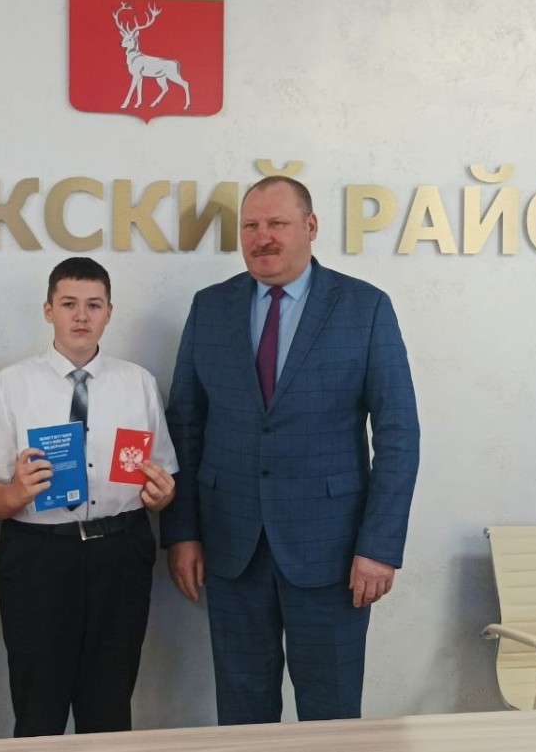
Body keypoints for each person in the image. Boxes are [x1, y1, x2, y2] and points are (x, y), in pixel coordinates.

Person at [160, 176, 419, 725]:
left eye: (277, 223)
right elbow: (184, 425)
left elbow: (398, 434)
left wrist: (379, 545)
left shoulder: (365, 308)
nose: (263, 237)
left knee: (331, 716)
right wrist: (182, 532)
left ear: (310, 226)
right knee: (242, 716)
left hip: (333, 554)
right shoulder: (210, 308)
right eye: (251, 226)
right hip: (230, 548)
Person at [0, 257, 178, 737]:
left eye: (93, 305)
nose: (81, 316)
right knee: (37, 707)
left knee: (110, 705)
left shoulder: (139, 383)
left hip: (121, 552)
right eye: (68, 304)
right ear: (48, 311)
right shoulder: (10, 387)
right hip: (38, 557)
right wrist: (14, 493)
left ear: (109, 312)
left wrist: (162, 497)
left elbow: (162, 478)